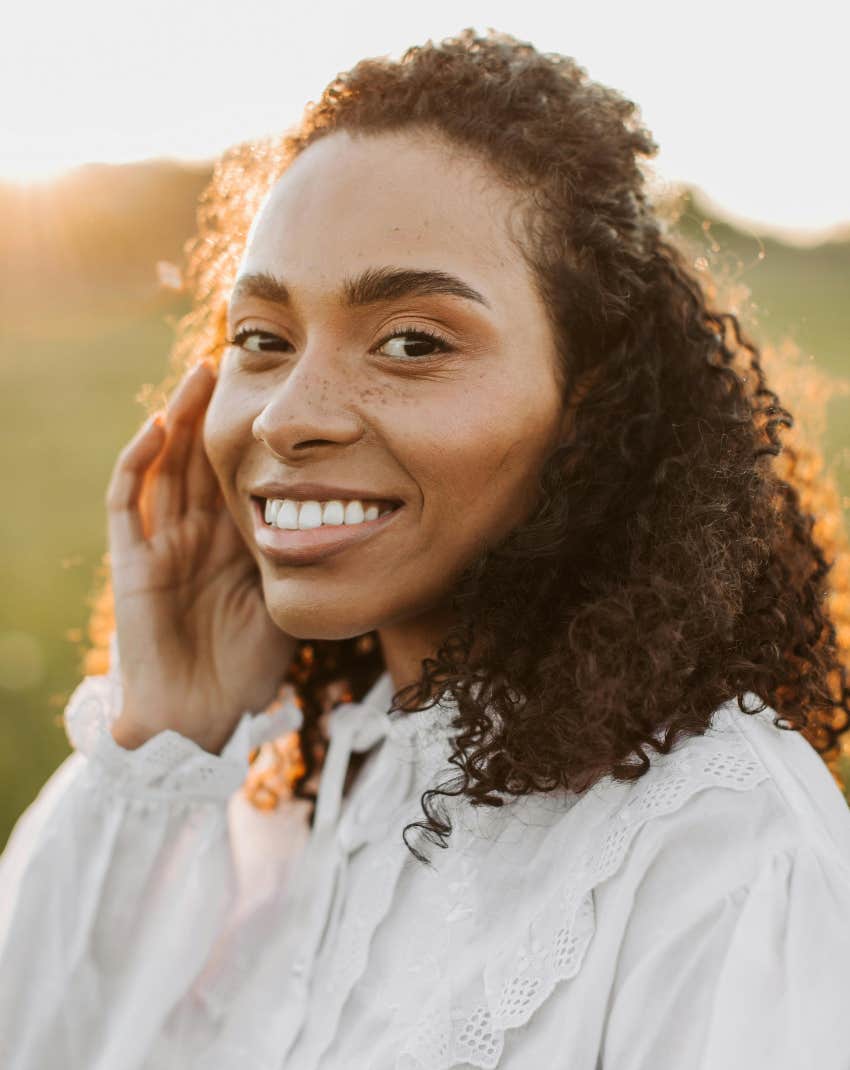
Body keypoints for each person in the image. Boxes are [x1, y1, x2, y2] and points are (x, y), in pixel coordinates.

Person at [1, 26, 849, 1070]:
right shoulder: (270, 784)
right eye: (262, 339)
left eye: (412, 341)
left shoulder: (719, 845)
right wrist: (163, 732)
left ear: (595, 404)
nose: (284, 416)